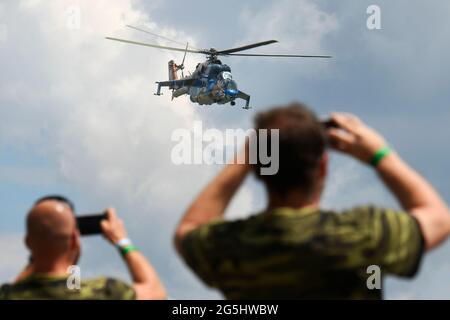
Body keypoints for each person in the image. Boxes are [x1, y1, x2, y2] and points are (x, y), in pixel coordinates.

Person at [174, 102, 450, 299]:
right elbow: (438, 219)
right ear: (323, 167)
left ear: (259, 168)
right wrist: (379, 154)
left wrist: (247, 155)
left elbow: (188, 229)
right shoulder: (362, 234)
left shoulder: (229, 246)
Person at [0, 195, 166, 300]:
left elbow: (23, 284)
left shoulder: (7, 294)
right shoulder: (105, 291)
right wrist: (121, 240)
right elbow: (155, 292)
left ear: (27, 242)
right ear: (74, 239)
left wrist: (40, 248)